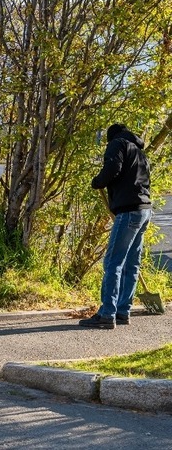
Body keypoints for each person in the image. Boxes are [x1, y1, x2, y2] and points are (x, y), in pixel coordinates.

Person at [80, 123, 152, 329]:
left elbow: (112, 168)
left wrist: (98, 181)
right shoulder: (139, 152)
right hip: (144, 209)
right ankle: (122, 311)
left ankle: (107, 314)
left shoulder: (117, 144)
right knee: (131, 264)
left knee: (113, 262)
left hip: (128, 211)